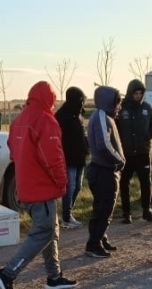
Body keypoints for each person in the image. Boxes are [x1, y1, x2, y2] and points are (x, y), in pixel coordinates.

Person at [0, 81, 77, 289]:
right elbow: (53, 157)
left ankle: (54, 277)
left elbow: (13, 151)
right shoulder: (45, 120)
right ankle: (8, 273)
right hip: (42, 188)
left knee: (51, 230)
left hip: (26, 186)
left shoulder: (20, 119)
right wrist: (62, 182)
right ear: (49, 98)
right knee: (43, 232)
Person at [85, 85, 126, 258]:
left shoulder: (104, 116)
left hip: (103, 169)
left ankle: (100, 238)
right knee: (104, 209)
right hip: (103, 171)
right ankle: (93, 244)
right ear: (108, 101)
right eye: (116, 102)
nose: (118, 106)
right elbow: (104, 144)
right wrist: (119, 159)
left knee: (102, 208)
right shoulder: (101, 116)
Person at [117, 79, 152, 223]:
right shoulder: (121, 109)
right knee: (124, 183)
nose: (138, 96)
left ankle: (147, 210)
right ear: (130, 93)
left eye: (141, 93)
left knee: (145, 182)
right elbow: (115, 128)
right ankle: (126, 213)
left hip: (143, 152)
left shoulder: (147, 108)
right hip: (126, 153)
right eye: (136, 93)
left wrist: (151, 133)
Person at [55, 86, 89, 229]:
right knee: (70, 187)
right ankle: (67, 218)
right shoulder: (61, 116)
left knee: (78, 187)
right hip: (68, 157)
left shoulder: (78, 114)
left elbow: (82, 133)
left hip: (80, 156)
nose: (82, 103)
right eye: (80, 100)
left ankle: (68, 214)